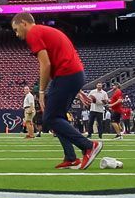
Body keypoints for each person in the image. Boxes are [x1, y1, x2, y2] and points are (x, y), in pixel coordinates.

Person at [11, 12, 101, 170]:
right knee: (56, 118)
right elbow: (62, 56)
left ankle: (88, 146)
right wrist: (78, 90)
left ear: (24, 23)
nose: (17, 34)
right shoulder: (45, 31)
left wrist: (41, 92)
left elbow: (46, 65)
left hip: (67, 75)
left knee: (50, 118)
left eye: (16, 29)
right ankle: (71, 157)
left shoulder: (34, 33)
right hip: (73, 75)